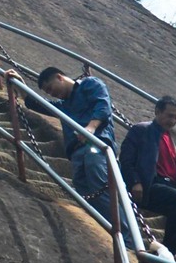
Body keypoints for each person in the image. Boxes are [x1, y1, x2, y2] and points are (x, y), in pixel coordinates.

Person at [18, 67, 133, 247]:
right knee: (84, 192)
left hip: (96, 144)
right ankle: (107, 233)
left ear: (59, 77)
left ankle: (126, 239)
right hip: (76, 152)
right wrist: (19, 84)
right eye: (47, 92)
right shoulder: (64, 106)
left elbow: (102, 105)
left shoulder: (90, 84)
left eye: (50, 88)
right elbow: (39, 104)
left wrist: (91, 127)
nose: (51, 93)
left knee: (100, 185)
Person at [120, 96, 176, 263]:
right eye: (169, 115)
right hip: (150, 186)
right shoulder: (141, 130)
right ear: (157, 112)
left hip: (170, 188)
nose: (173, 120)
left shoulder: (174, 140)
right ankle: (165, 258)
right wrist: (135, 182)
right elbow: (126, 159)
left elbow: (175, 171)